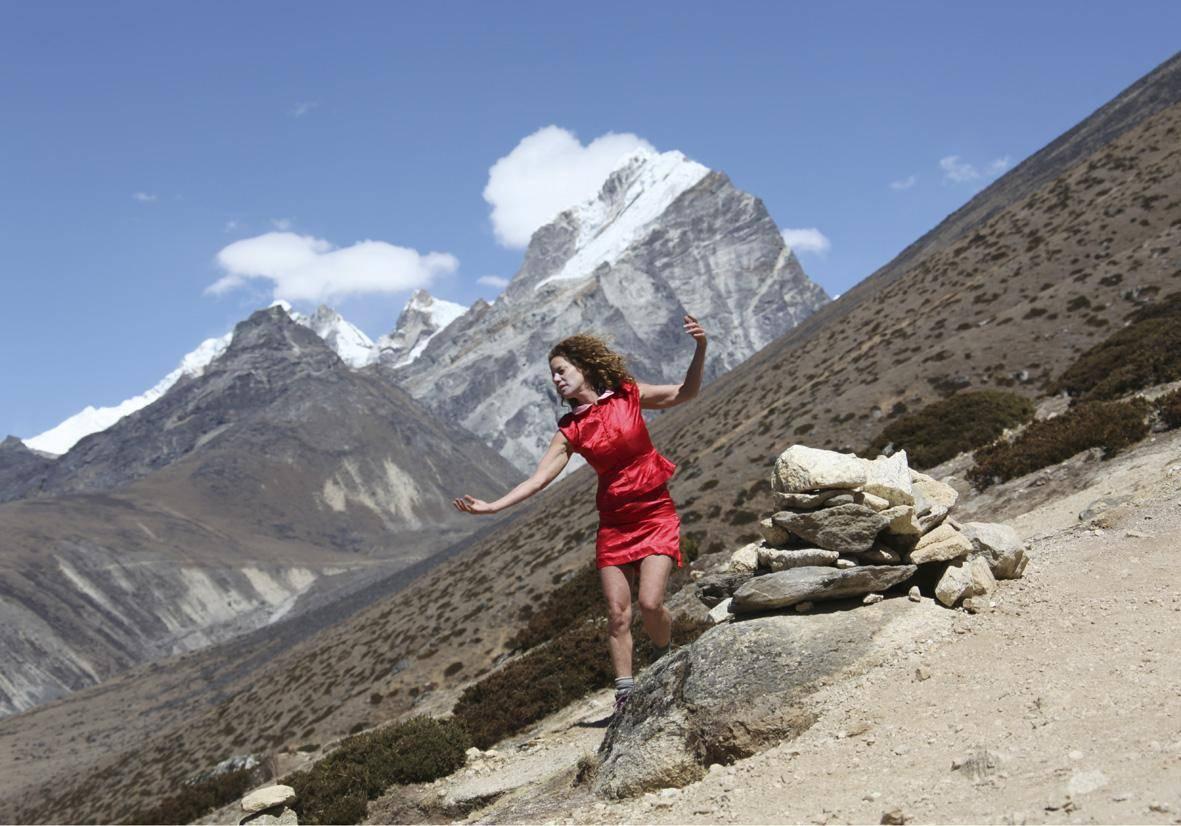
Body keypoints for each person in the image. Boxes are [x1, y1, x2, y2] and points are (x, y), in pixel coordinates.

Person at [453, 314, 708, 715]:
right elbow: (537, 480)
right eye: (551, 375)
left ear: (584, 367)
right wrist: (492, 506)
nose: (556, 380)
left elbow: (684, 392)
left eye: (560, 370)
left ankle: (665, 654)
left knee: (651, 603)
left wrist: (701, 348)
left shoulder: (628, 395)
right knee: (617, 613)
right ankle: (625, 694)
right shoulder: (570, 429)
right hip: (614, 525)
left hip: (655, 514)